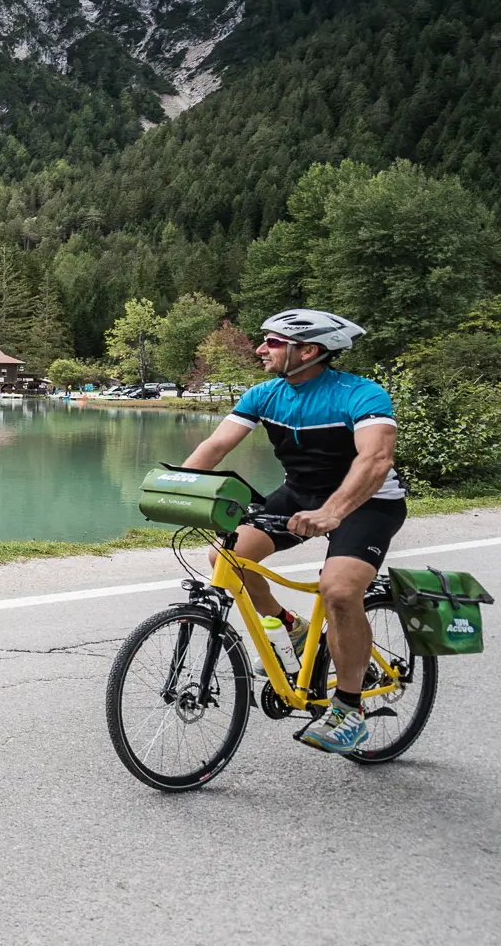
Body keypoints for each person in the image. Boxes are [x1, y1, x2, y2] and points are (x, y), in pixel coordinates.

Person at [178, 309, 406, 753]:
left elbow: (375, 461)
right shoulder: (265, 394)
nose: (261, 349)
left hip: (368, 501)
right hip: (299, 495)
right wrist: (179, 488)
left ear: (309, 350)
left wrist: (333, 512)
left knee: (338, 591)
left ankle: (348, 709)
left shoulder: (360, 394)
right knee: (226, 557)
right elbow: (216, 445)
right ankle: (292, 624)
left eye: (273, 342)